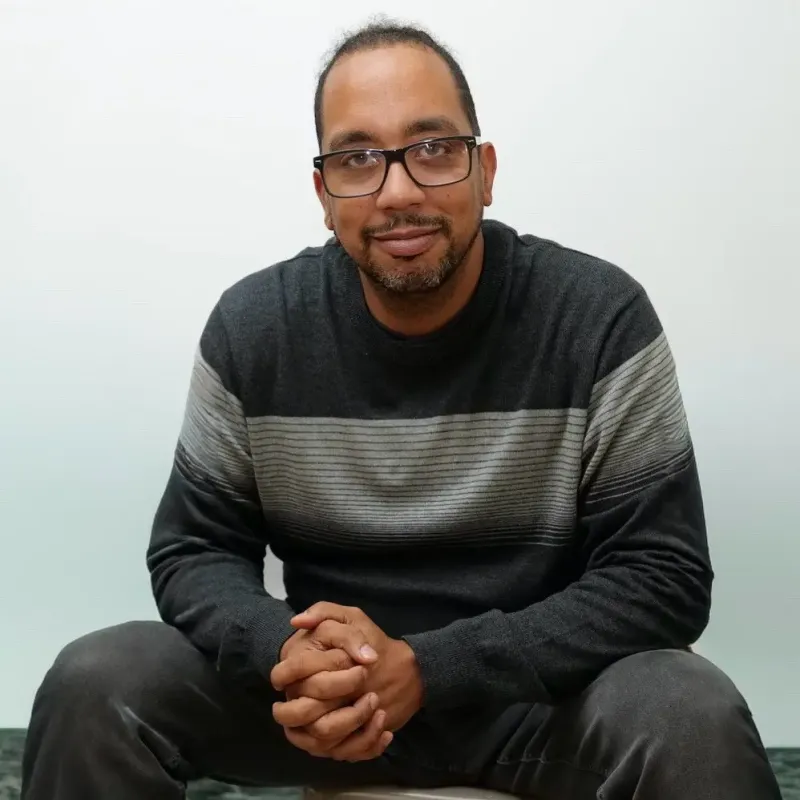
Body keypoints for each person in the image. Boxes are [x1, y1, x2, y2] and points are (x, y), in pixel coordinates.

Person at [21, 19, 781, 800]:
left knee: (690, 712)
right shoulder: (254, 329)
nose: (399, 192)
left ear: (485, 170)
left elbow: (663, 576)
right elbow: (193, 550)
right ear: (323, 195)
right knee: (97, 681)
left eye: (434, 148)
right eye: (357, 159)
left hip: (537, 706)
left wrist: (430, 668)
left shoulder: (598, 319)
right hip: (319, 705)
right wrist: (288, 651)